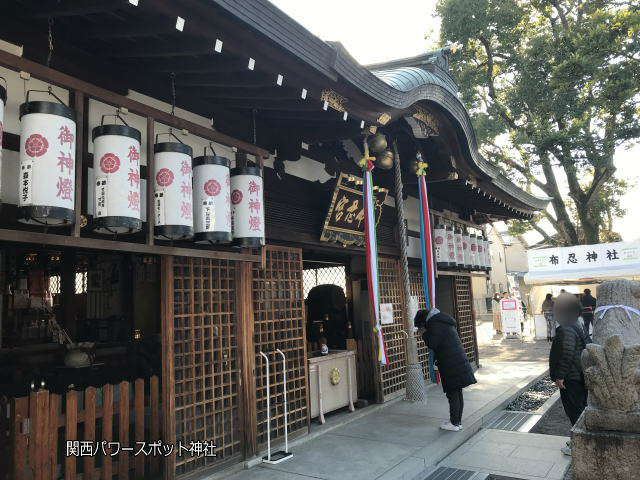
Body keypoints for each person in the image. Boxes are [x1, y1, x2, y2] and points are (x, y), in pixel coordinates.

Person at [415, 307, 477, 432]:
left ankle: (454, 423)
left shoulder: (434, 324)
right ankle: (457, 422)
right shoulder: (442, 320)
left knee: (452, 393)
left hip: (450, 363)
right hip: (456, 360)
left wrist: (424, 333)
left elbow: (433, 343)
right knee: (457, 392)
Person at [549, 292, 589, 456]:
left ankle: (580, 445)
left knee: (575, 411)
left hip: (571, 378)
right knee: (579, 409)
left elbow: (566, 353)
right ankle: (578, 440)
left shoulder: (566, 327)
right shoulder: (576, 323)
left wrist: (559, 376)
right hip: (578, 375)